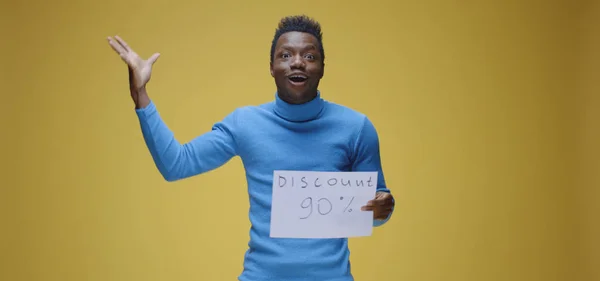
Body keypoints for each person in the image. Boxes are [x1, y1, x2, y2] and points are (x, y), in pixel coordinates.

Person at [107, 14, 395, 281]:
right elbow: (176, 164)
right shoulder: (245, 123)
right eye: (286, 55)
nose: (297, 62)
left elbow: (378, 209)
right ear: (271, 67)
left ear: (322, 67)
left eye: (309, 56)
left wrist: (385, 207)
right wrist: (140, 95)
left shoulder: (357, 128)